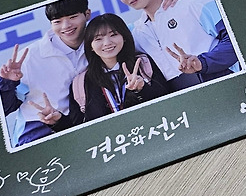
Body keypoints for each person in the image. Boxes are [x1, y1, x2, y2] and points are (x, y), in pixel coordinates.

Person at [0, 0, 185, 146]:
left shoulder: (102, 41)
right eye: (57, 21)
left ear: (87, 14)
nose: (66, 26)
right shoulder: (29, 57)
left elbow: (142, 25)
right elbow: (5, 108)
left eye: (73, 17)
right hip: (38, 129)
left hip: (84, 131)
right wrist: (7, 82)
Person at [30, 13, 169, 131]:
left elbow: (168, 100)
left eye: (113, 35)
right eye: (98, 39)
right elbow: (78, 128)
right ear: (90, 45)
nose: (107, 43)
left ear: (124, 37)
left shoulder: (144, 64)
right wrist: (58, 121)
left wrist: (142, 89)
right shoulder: (81, 83)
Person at [110, 0, 239, 91]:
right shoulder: (134, 32)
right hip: (181, 98)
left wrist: (203, 62)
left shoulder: (193, 4)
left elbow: (237, 36)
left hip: (222, 81)